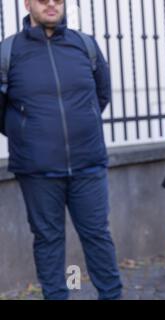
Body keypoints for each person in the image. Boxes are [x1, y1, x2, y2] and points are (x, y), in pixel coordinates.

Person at [0, 0, 122, 299]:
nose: (52, 4)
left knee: (97, 236)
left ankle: (112, 295)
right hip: (37, 170)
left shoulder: (85, 45)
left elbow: (101, 95)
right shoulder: (9, 52)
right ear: (28, 3)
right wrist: (30, 134)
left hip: (88, 164)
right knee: (48, 240)